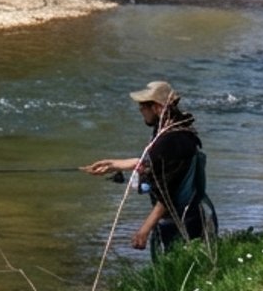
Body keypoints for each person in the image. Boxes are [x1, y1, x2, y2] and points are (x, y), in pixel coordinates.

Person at [81, 80, 206, 252]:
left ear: (156, 107)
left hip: (179, 223)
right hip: (190, 214)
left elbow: (166, 195)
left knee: (180, 270)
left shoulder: (170, 141)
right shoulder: (177, 128)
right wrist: (113, 165)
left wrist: (144, 231)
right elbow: (156, 165)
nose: (140, 110)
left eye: (143, 106)